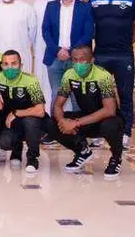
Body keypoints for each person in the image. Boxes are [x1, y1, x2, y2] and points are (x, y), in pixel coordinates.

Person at [45, 45, 124, 179]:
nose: (78, 64)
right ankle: (82, 151)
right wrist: (63, 121)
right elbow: (58, 105)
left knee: (110, 126)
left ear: (92, 60)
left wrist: (75, 122)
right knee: (50, 123)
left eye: (82, 60)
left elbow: (110, 110)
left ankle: (116, 158)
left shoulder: (103, 76)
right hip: (85, 118)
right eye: (75, 60)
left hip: (106, 119)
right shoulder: (69, 75)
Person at [89, 0, 135, 148]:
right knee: (98, 95)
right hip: (101, 54)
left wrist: (128, 41)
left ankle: (125, 133)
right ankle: (97, 132)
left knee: (125, 94)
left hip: (123, 55)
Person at [41, 0, 94, 108]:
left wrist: (71, 52)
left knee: (77, 95)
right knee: (56, 94)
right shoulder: (51, 6)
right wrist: (58, 50)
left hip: (77, 59)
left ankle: (77, 125)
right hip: (54, 57)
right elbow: (46, 30)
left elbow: (87, 33)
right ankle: (55, 126)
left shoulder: (85, 7)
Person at [0, 50, 48, 172]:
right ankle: (16, 153)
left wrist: (16, 113)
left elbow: (40, 111)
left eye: (14, 64)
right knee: (4, 142)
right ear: (2, 66)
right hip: (13, 121)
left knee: (30, 122)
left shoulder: (31, 81)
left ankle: (32, 158)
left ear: (21, 65)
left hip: (33, 117)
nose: (10, 67)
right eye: (6, 64)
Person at [32, 0, 60, 113]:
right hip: (40, 49)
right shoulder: (36, 4)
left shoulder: (66, 2)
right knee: (42, 80)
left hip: (60, 51)